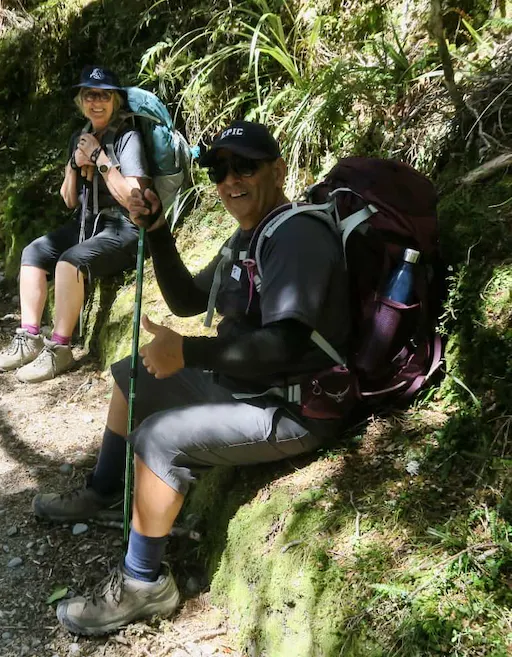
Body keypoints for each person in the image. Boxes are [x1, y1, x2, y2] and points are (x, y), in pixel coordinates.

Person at [32, 121, 350, 635]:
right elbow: (185, 300)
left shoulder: (296, 237)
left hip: (292, 405)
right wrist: (157, 231)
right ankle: (104, 489)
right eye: (220, 169)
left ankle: (144, 585)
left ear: (279, 170)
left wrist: (191, 352)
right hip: (247, 385)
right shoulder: (249, 237)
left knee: (160, 438)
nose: (230, 180)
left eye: (244, 166)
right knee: (132, 374)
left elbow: (286, 345)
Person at [0, 65, 150, 383]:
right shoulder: (79, 136)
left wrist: (101, 159)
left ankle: (60, 349)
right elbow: (68, 200)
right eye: (90, 95)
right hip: (86, 222)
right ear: (81, 100)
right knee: (34, 253)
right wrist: (75, 164)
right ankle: (30, 337)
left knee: (69, 262)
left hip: (125, 227)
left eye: (104, 95)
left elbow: (135, 198)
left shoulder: (128, 137)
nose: (96, 102)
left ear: (115, 100)